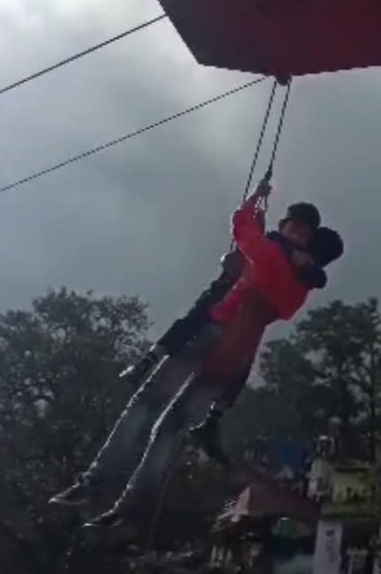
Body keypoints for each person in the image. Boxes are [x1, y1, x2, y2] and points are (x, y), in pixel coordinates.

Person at [48, 181, 343, 539]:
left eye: (300, 229)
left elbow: (241, 226)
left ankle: (96, 483)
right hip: (234, 357)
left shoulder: (269, 254)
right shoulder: (300, 290)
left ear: (305, 241)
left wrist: (256, 200)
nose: (295, 232)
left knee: (147, 403)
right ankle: (132, 510)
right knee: (172, 428)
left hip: (211, 336)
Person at [114, 201, 327, 461]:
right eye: (294, 229)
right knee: (192, 323)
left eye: (304, 235)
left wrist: (303, 262)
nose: (297, 236)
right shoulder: (273, 245)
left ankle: (211, 417)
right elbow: (258, 239)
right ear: (284, 226)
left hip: (238, 319)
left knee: (238, 365)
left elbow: (315, 277)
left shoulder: (297, 269)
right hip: (225, 301)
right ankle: (151, 361)